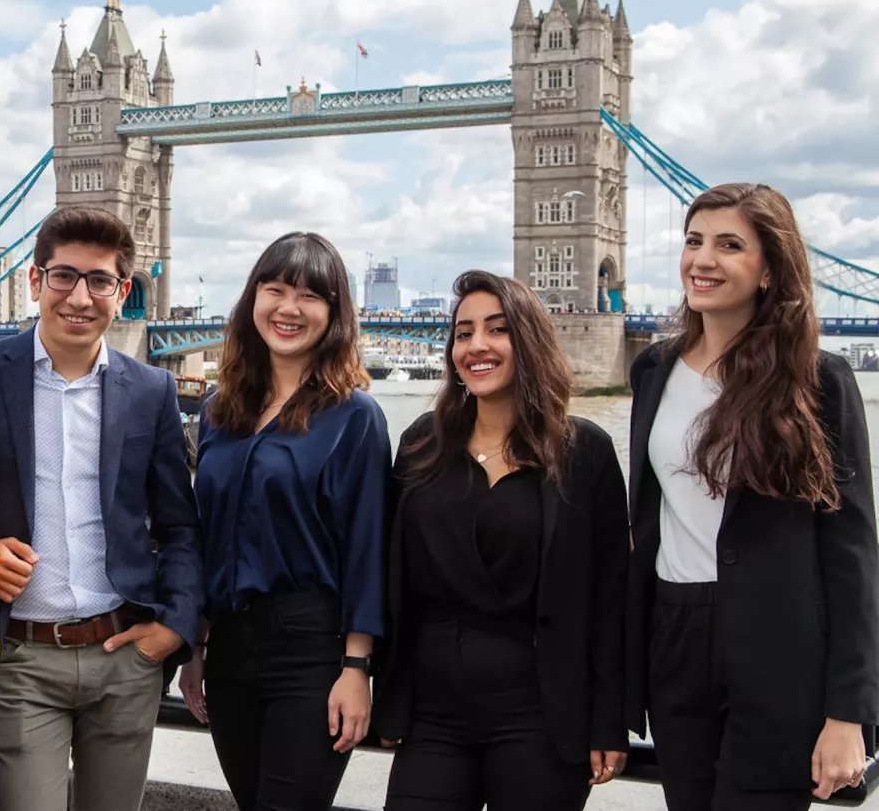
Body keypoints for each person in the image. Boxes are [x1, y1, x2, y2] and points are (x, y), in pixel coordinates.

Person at [625, 183, 879, 809]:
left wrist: (849, 714)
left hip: (779, 646)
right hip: (674, 636)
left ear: (769, 270)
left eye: (729, 246)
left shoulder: (818, 379)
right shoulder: (654, 370)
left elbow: (853, 555)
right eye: (693, 241)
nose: (702, 260)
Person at [0, 206, 203, 811]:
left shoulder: (152, 390)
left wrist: (175, 626)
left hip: (124, 655)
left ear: (122, 294)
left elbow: (178, 525)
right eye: (64, 276)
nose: (80, 296)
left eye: (99, 281)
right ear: (37, 282)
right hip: (18, 656)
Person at [372, 270, 629, 811]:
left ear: (529, 342)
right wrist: (382, 691)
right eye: (463, 333)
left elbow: (610, 598)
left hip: (540, 712)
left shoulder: (585, 452)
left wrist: (610, 722)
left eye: (497, 329)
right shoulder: (423, 441)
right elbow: (393, 580)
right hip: (433, 712)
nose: (476, 346)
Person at [177, 232, 391, 811]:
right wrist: (194, 643)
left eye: (309, 296)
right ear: (253, 300)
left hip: (312, 652)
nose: (288, 308)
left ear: (334, 314)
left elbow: (368, 547)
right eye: (275, 290)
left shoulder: (355, 416)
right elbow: (206, 533)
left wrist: (356, 667)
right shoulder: (223, 409)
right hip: (229, 649)